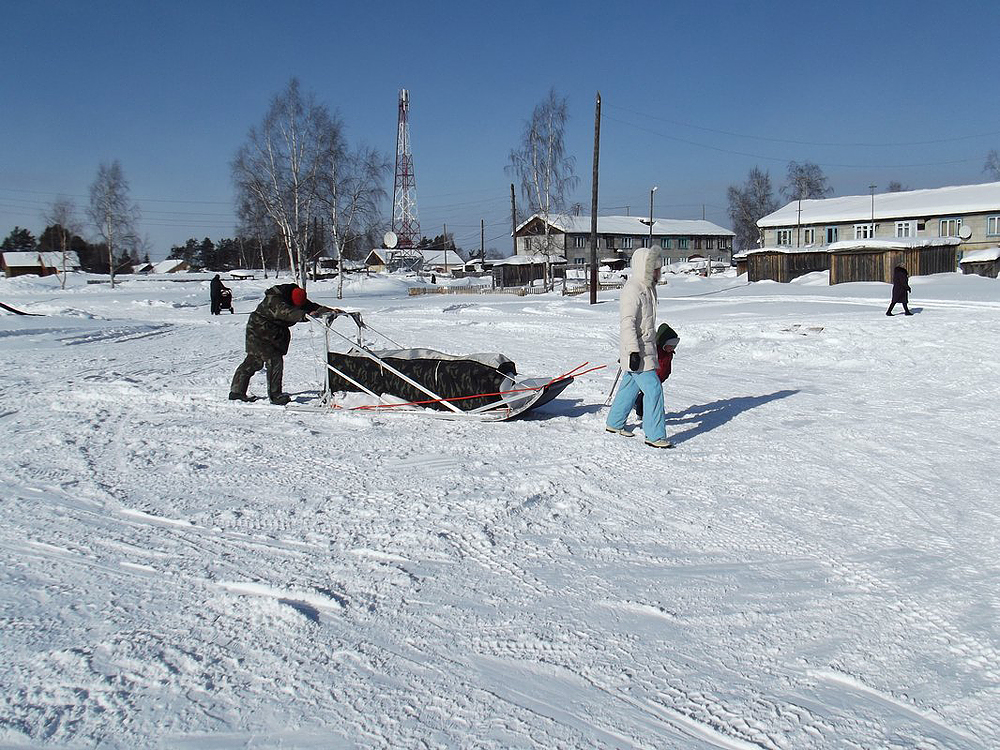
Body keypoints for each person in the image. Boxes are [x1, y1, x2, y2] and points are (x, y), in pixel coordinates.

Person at [229, 284, 341, 405]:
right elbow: (287, 312)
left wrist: (329, 310)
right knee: (274, 360)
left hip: (272, 332)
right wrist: (303, 315)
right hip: (258, 330)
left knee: (254, 361)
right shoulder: (275, 299)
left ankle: (237, 392)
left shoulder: (294, 296)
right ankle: (275, 395)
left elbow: (310, 306)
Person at [605, 246, 672, 448]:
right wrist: (633, 351)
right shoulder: (632, 290)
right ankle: (654, 435)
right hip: (638, 351)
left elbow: (646, 323)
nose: (658, 273)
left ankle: (614, 423)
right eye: (655, 269)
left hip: (646, 347)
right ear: (645, 268)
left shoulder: (648, 288)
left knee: (629, 386)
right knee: (653, 389)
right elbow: (627, 323)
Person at [633, 322, 679, 419]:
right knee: (646, 396)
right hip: (651, 378)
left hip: (660, 378)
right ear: (663, 343)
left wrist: (667, 374)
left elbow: (666, 366)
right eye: (670, 345)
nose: (672, 348)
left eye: (674, 346)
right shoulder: (655, 351)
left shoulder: (669, 353)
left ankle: (640, 406)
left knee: (650, 396)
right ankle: (640, 413)